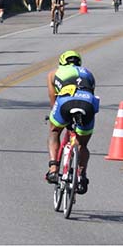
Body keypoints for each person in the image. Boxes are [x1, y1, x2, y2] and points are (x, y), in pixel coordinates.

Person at [45, 51, 99, 195]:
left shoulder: (53, 73)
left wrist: (53, 115)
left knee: (54, 131)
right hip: (87, 103)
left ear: (62, 62)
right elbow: (91, 93)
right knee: (83, 144)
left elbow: (53, 100)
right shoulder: (88, 73)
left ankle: (53, 168)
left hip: (65, 103)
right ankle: (81, 176)